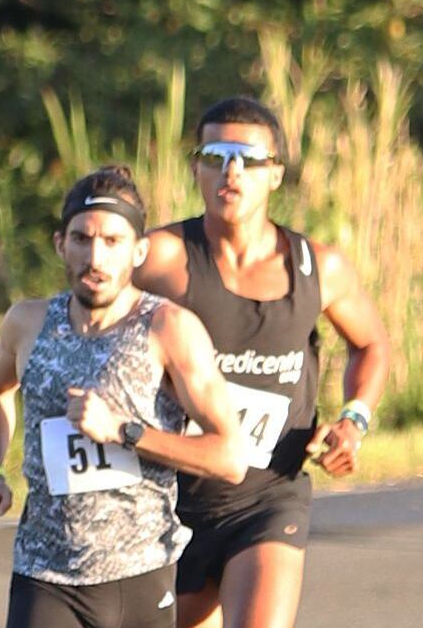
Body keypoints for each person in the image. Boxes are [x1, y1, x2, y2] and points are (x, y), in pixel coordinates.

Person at [133, 96, 390, 628]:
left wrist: (353, 418)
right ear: (196, 168)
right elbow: (83, 326)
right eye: (216, 155)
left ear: (274, 174)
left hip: (267, 497)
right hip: (165, 498)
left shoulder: (320, 267)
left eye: (249, 159)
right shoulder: (157, 257)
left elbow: (372, 345)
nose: (232, 171)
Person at [0, 165, 246, 628]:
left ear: (139, 251)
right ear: (61, 244)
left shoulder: (168, 329)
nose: (95, 257)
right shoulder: (28, 323)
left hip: (138, 574)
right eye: (82, 238)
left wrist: (124, 431)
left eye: (113, 242)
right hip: (44, 571)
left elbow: (230, 457)